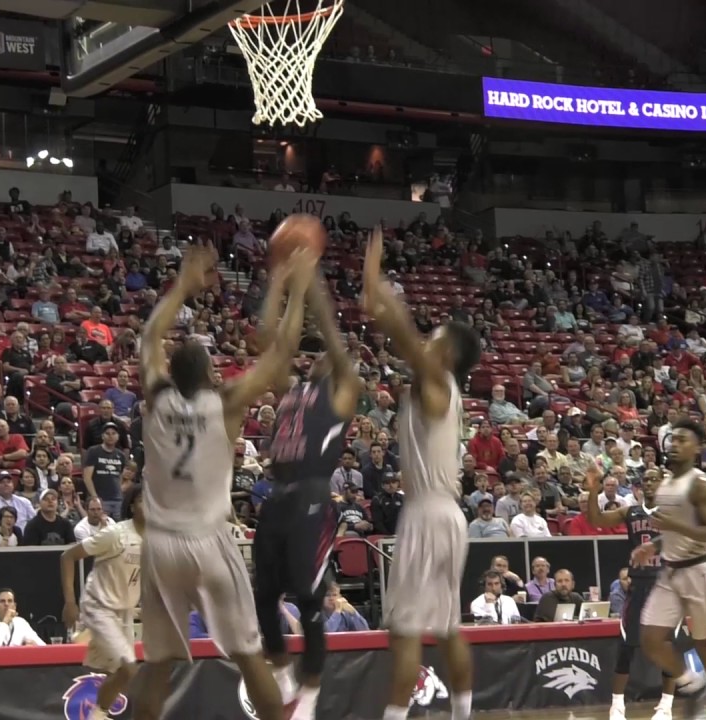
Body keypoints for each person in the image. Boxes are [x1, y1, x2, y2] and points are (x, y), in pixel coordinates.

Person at [132, 244, 311, 720]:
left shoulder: (155, 400)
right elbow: (280, 357)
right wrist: (293, 293)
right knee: (251, 656)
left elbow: (150, 336)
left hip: (162, 545)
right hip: (210, 541)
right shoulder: (227, 402)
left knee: (157, 665)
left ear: (171, 374)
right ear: (211, 373)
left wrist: (183, 285)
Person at [361, 225, 479, 720]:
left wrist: (376, 280)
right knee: (448, 626)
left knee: (407, 628)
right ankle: (463, 714)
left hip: (428, 515)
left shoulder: (438, 379)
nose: (427, 341)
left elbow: (405, 338)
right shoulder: (437, 385)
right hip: (443, 514)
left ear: (448, 353)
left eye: (436, 338)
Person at [254, 270, 361, 720]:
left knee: (309, 597)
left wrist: (318, 296)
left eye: (322, 353)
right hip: (278, 497)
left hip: (314, 500)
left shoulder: (342, 392)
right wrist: (290, 290)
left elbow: (339, 352)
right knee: (263, 598)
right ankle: (284, 685)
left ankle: (310, 700)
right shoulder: (292, 391)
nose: (313, 357)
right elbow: (272, 345)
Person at [631, 419, 706, 720]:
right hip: (672, 570)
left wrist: (671, 526)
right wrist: (654, 546)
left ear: (697, 448)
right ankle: (690, 684)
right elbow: (675, 532)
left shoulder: (700, 484)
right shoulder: (665, 483)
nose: (674, 444)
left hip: (702, 571)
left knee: (704, 646)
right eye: (672, 439)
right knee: (650, 638)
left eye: (682, 440)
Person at [585, 465, 676, 720]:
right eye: (645, 480)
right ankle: (617, 706)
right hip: (638, 587)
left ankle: (665, 707)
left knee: (667, 646)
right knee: (627, 646)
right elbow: (596, 520)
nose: (648, 483)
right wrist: (593, 491)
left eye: (654, 479)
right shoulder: (630, 511)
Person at [60, 486, 145, 720]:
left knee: (117, 672)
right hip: (98, 605)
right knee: (128, 668)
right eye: (142, 500)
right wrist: (70, 602)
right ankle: (97, 716)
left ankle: (98, 713)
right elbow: (68, 556)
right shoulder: (115, 534)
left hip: (124, 610)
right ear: (131, 506)